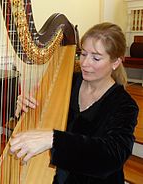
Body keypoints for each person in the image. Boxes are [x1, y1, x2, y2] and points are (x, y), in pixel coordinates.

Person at [10, 22, 139, 184]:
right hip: (58, 174)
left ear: (115, 62)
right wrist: (24, 107)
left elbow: (112, 156)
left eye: (96, 58)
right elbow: (37, 125)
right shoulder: (65, 82)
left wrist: (54, 139)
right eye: (83, 54)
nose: (85, 63)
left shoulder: (124, 105)